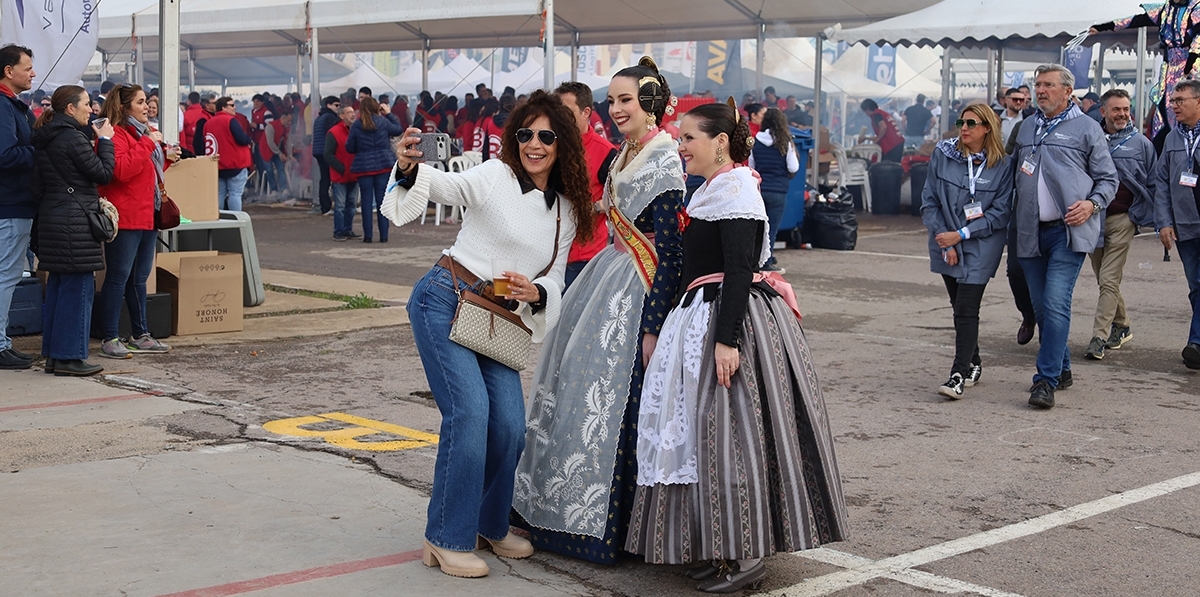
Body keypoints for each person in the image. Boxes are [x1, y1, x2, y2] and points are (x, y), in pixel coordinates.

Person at [624, 100, 848, 593]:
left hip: (732, 319)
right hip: (699, 314)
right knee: (704, 440)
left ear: (719, 142)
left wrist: (727, 341)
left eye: (688, 139)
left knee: (735, 442)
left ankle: (746, 556)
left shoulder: (738, 188)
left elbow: (740, 269)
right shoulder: (709, 190)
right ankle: (721, 549)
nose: (681, 147)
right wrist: (661, 326)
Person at [379, 89, 590, 578]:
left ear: (563, 145)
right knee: (470, 415)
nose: (534, 145)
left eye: (546, 136)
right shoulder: (495, 175)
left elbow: (556, 277)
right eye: (525, 134)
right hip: (445, 299)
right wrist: (410, 167)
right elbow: (446, 187)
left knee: (511, 428)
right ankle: (445, 537)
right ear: (513, 138)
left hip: (498, 317)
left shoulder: (567, 210)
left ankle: (487, 524)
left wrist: (535, 291)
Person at [512, 56, 686, 565]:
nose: (615, 109)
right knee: (574, 392)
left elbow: (671, 254)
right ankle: (555, 512)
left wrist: (654, 325)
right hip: (605, 278)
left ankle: (611, 529)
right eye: (611, 100)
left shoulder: (664, 160)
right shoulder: (623, 154)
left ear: (651, 102)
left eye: (625, 100)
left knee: (616, 407)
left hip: (638, 292)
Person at [1011, 64, 1118, 409]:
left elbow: (1108, 179)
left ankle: (1045, 381)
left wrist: (1091, 205)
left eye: (1048, 85)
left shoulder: (1087, 128)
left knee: (1056, 303)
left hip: (1066, 234)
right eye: (1037, 84)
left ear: (1067, 91)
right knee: (1042, 309)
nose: (1040, 90)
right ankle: (1062, 367)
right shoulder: (1027, 126)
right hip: (1029, 232)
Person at [920, 104, 1013, 399]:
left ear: (987, 128)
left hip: (981, 244)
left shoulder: (1003, 165)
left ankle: (957, 375)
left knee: (966, 308)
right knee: (957, 305)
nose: (964, 128)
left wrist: (960, 235)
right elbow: (929, 201)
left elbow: (999, 213)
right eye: (962, 121)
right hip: (945, 241)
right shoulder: (942, 154)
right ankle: (974, 361)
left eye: (972, 123)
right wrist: (945, 239)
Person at [31, 85, 116, 376]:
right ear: (70, 108)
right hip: (74, 222)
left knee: (58, 287)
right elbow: (103, 173)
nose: (92, 109)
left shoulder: (46, 138)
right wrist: (105, 141)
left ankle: (56, 355)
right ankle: (70, 356)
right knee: (78, 289)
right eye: (87, 104)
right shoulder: (72, 138)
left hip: (53, 219)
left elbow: (39, 185)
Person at [96, 83, 175, 359]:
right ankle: (109, 337)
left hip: (147, 215)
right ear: (124, 107)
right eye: (141, 102)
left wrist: (164, 157)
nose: (147, 107)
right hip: (127, 216)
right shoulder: (115, 134)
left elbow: (145, 170)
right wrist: (148, 143)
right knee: (118, 278)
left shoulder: (143, 134)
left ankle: (140, 334)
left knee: (139, 279)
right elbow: (121, 170)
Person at [1083, 90, 1156, 361]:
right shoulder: (1091, 138)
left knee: (1109, 278)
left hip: (1124, 219)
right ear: (1103, 112)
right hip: (1093, 220)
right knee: (1104, 278)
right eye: (1117, 109)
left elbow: (1153, 182)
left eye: (1126, 109)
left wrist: (1140, 215)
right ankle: (1122, 325)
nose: (1123, 114)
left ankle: (1099, 337)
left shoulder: (1141, 143)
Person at [1092, 2, 1200, 141]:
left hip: (1190, 68)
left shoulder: (1195, 8)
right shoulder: (1165, 9)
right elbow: (1135, 20)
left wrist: (1189, 65)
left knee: (1186, 106)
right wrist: (1103, 27)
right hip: (1169, 68)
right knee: (1163, 114)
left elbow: (1198, 38)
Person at [1153, 78, 1200, 369]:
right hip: (1185, 225)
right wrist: (1163, 222)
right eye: (1173, 101)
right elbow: (1161, 182)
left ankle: (1195, 342)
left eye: (1180, 100)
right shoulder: (1171, 137)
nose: (1174, 106)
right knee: (1196, 285)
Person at [554, 82, 618, 290]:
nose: (560, 116)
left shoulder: (605, 152)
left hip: (583, 257)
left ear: (585, 112)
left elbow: (621, 199)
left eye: (567, 111)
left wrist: (594, 207)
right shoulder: (547, 144)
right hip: (547, 254)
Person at [0, 44, 36, 370]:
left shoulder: (14, 106)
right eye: (27, 67)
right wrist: (40, 150)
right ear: (9, 71)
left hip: (12, 203)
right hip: (10, 204)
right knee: (6, 276)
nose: (33, 73)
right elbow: (6, 155)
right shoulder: (4, 107)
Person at [747, 106, 799, 273]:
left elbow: (751, 167)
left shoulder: (755, 141)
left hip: (760, 190)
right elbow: (793, 166)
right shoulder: (785, 142)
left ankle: (755, 260)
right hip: (778, 190)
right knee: (772, 228)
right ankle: (767, 261)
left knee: (758, 228)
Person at [346, 96, 403, 243]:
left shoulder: (357, 125)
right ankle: (384, 235)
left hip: (363, 166)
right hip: (383, 164)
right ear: (376, 107)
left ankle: (368, 236)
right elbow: (398, 129)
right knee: (382, 201)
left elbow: (350, 147)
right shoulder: (383, 122)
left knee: (366, 201)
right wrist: (389, 113)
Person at [207, 97, 254, 212]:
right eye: (232, 105)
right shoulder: (231, 120)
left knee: (220, 194)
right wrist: (248, 139)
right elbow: (241, 139)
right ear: (223, 107)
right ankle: (236, 221)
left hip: (217, 164)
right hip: (235, 163)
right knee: (235, 194)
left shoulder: (208, 123)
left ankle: (218, 220)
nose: (235, 107)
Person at [324, 104, 361, 241]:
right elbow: (328, 154)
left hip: (353, 174)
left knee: (351, 205)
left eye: (353, 112)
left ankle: (347, 229)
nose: (353, 114)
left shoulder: (354, 131)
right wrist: (341, 168)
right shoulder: (334, 132)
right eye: (349, 112)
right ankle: (338, 231)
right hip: (340, 175)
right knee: (340, 205)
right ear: (341, 116)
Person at [311, 96, 341, 215]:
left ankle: (325, 206)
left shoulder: (319, 118)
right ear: (328, 105)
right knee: (330, 178)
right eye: (336, 105)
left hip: (318, 151)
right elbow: (332, 135)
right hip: (327, 151)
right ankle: (328, 206)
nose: (338, 108)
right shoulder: (330, 118)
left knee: (324, 179)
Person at [860, 98, 904, 162]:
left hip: (892, 145)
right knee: (894, 165)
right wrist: (865, 138)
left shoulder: (876, 115)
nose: (865, 114)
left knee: (890, 166)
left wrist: (877, 139)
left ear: (867, 109)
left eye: (865, 111)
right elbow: (881, 135)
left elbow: (883, 127)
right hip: (898, 142)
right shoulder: (882, 113)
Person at [260, 111, 291, 196]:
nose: (289, 123)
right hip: (266, 150)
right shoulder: (270, 126)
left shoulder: (285, 128)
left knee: (281, 168)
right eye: (288, 121)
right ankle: (273, 189)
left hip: (277, 150)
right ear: (283, 118)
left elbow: (287, 142)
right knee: (269, 170)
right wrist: (280, 153)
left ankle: (284, 188)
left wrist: (290, 155)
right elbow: (270, 142)